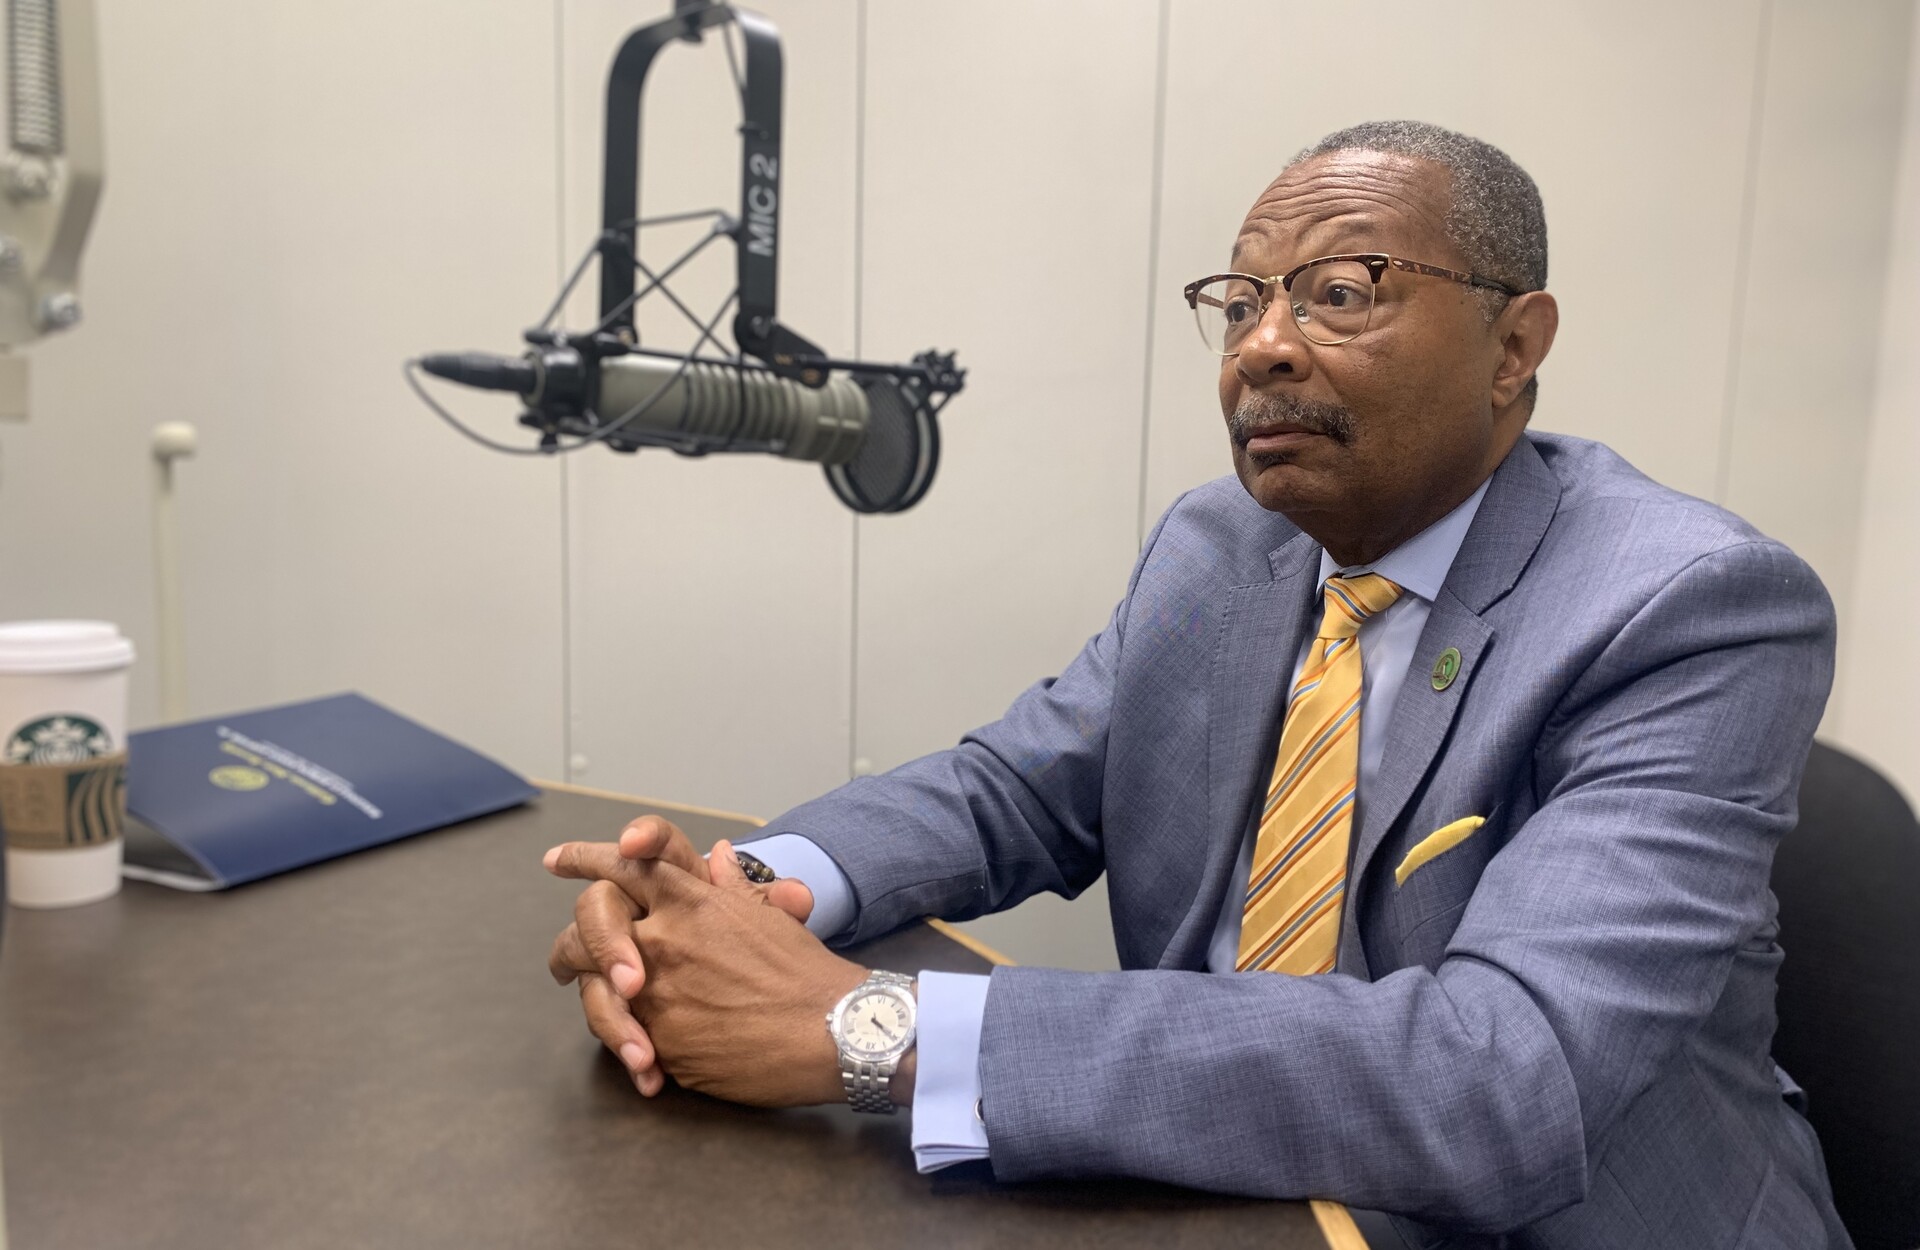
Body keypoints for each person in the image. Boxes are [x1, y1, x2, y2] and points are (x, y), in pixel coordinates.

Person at [540, 120, 1851, 1248]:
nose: (1263, 347)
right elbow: (1014, 792)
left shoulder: (1691, 604)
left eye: (1342, 290)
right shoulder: (1224, 545)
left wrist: (874, 1028)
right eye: (1239, 303)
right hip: (1213, 1193)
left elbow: (1503, 1078)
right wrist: (733, 906)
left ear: (1515, 344)